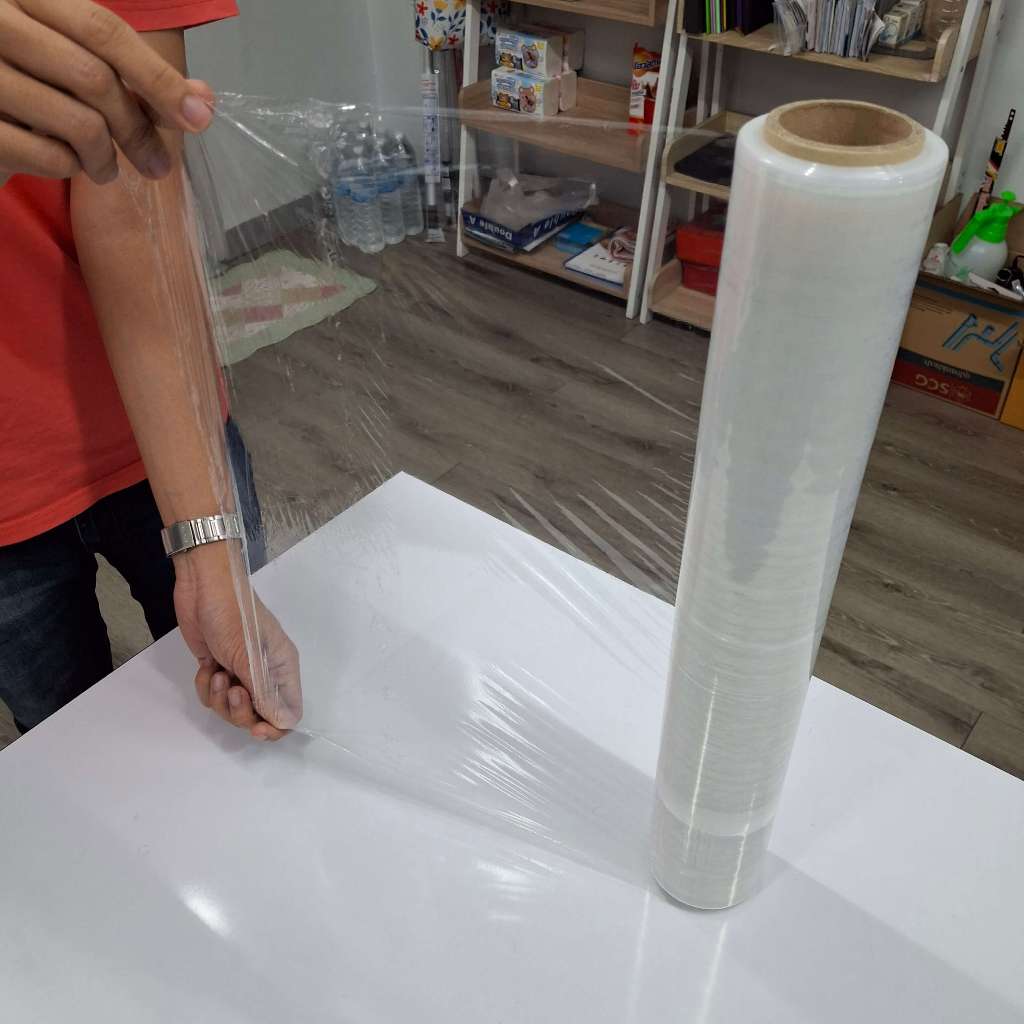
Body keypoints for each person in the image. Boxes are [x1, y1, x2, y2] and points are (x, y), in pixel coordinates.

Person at [0, 0, 302, 741]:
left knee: (234, 713)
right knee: (69, 751)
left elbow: (136, 203)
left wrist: (207, 554)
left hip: (158, 427)